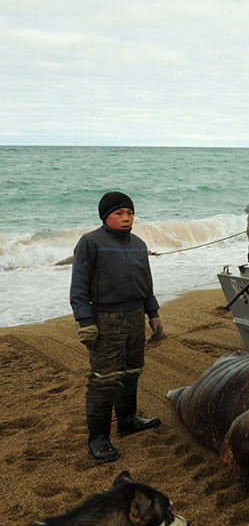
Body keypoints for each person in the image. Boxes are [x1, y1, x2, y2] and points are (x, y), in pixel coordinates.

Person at [69, 191, 163, 464]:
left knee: (132, 371)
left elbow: (147, 283)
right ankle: (97, 440)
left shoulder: (138, 244)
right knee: (104, 379)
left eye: (130, 213)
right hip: (105, 320)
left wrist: (153, 314)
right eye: (119, 214)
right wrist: (85, 322)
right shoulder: (90, 242)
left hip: (134, 317)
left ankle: (127, 421)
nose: (126, 218)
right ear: (105, 216)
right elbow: (78, 286)